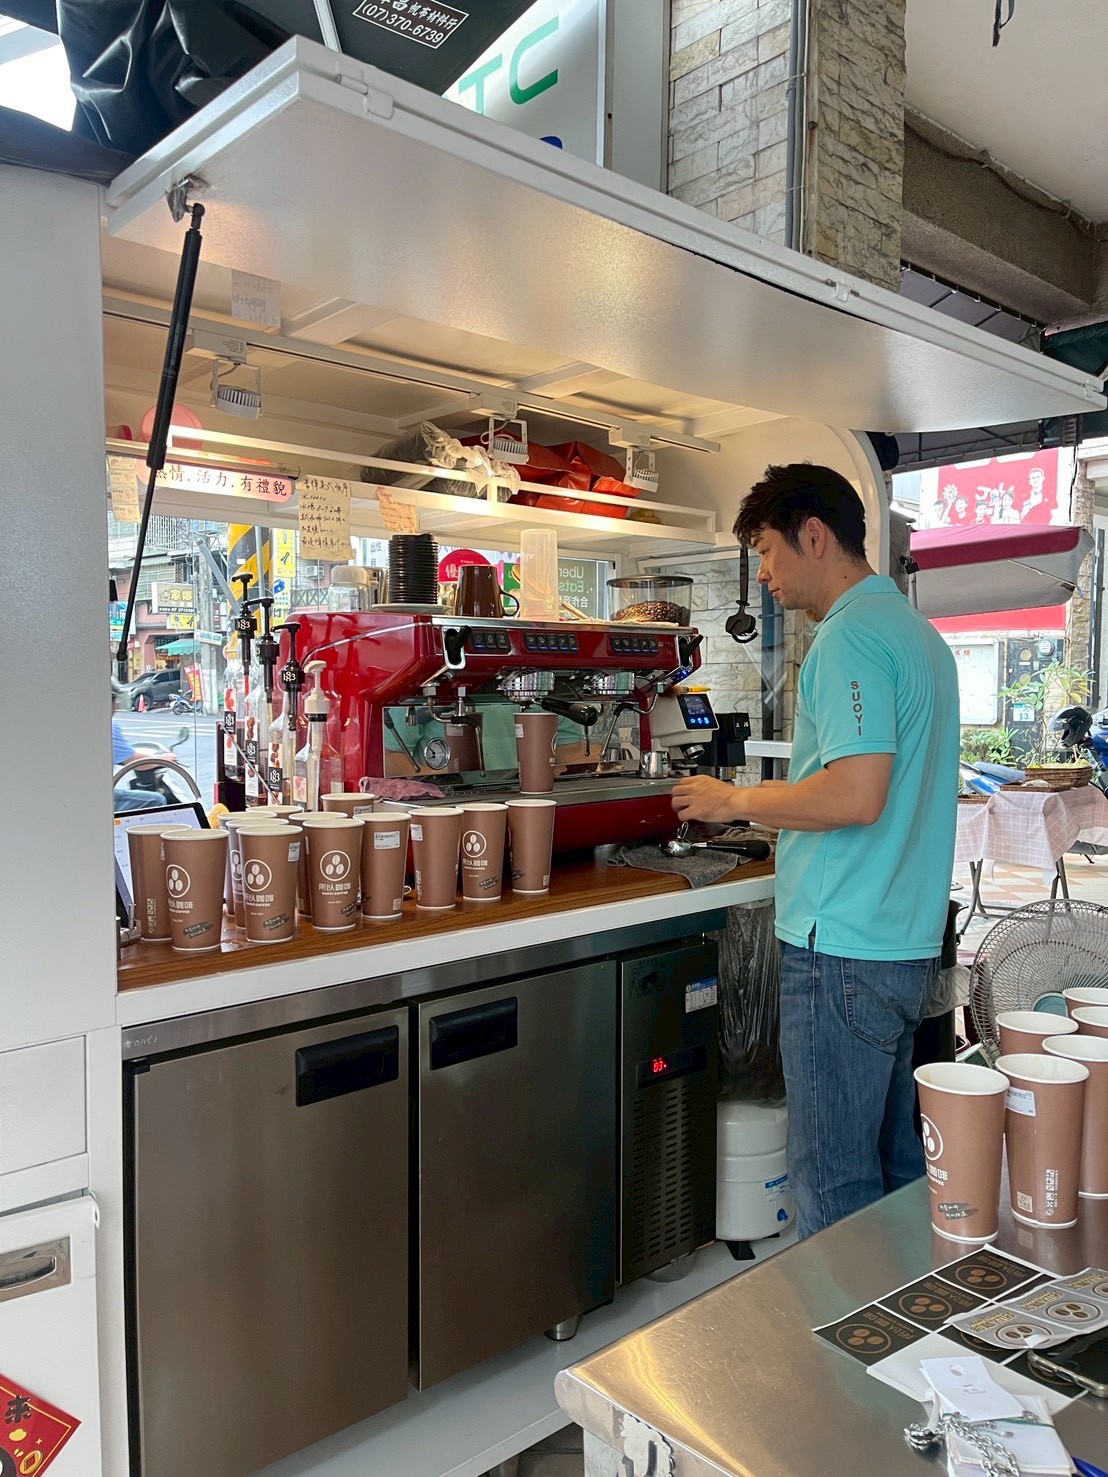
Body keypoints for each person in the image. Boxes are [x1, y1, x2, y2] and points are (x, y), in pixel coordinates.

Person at [672, 464, 960, 1239]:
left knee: (832, 1184)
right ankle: (904, 1342)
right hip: (905, 946)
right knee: (898, 1170)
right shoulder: (921, 637)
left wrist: (734, 800)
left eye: (766, 551)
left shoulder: (847, 639)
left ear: (813, 535)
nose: (762, 575)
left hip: (843, 952)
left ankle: (841, 1356)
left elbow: (854, 793)